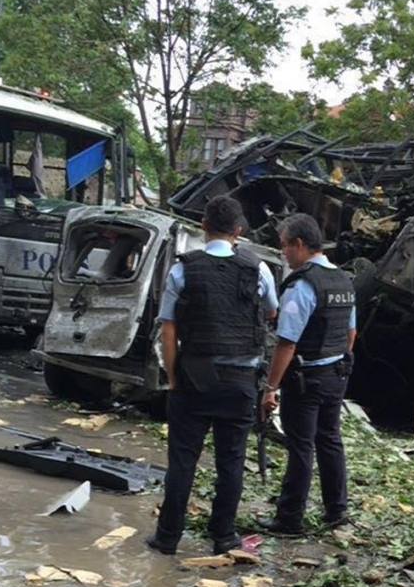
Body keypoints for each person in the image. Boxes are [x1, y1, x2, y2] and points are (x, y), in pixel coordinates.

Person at [146, 195, 278, 556]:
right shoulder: (259, 269)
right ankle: (223, 537)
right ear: (239, 231)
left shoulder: (182, 269)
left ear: (203, 226)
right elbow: (270, 314)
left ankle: (168, 537)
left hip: (194, 379)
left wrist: (173, 379)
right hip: (241, 382)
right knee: (231, 461)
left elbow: (169, 331)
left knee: (182, 461)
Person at [257, 213, 357, 535]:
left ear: (300, 244)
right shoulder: (343, 279)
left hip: (306, 379)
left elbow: (286, 343)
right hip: (337, 374)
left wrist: (270, 387)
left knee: (301, 446)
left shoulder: (302, 285)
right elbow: (351, 333)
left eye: (285, 246)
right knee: (329, 439)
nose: (283, 252)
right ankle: (336, 510)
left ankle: (289, 519)